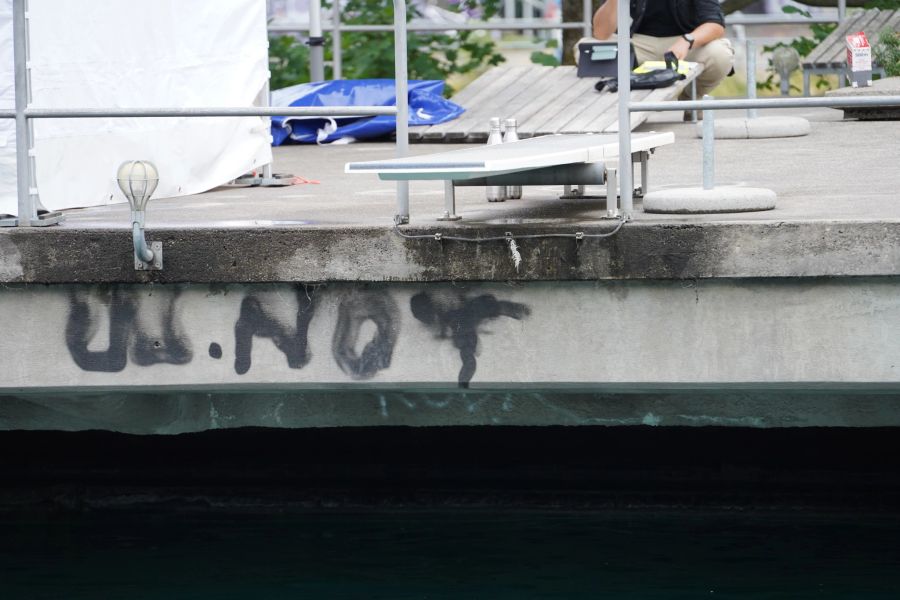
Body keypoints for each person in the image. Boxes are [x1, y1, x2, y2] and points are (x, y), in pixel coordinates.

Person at [576, 0, 734, 102]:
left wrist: (687, 40)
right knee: (584, 49)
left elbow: (715, 25)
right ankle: (622, 100)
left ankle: (691, 98)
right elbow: (601, 33)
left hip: (685, 43)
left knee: (720, 54)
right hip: (639, 44)